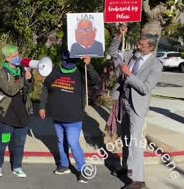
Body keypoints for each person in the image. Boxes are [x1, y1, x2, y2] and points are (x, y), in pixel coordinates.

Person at [108, 24, 163, 189]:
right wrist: (119, 35)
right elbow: (112, 53)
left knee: (135, 142)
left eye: (142, 45)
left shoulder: (156, 65)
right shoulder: (132, 55)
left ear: (151, 48)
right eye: (138, 43)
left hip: (137, 106)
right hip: (124, 101)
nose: (138, 46)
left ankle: (138, 180)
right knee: (125, 138)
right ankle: (126, 167)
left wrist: (129, 75)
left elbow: (145, 88)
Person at [39, 51, 101, 184]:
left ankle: (83, 170)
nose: (67, 62)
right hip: (57, 115)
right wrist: (42, 106)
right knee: (61, 141)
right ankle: (64, 165)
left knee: (73, 143)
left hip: (73, 117)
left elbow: (96, 80)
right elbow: (45, 88)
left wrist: (89, 65)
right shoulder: (54, 70)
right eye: (65, 59)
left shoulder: (81, 72)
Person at [0, 44, 34, 178]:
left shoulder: (22, 70)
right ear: (8, 58)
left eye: (18, 54)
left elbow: (30, 89)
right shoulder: (2, 73)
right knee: (3, 142)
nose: (17, 57)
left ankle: (17, 166)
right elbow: (10, 90)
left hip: (23, 115)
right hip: (7, 116)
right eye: (14, 56)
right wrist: (23, 80)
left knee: (20, 144)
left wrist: (30, 78)